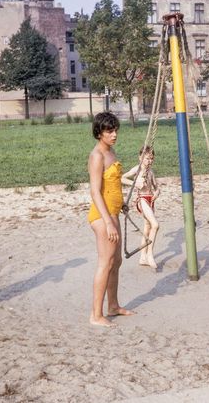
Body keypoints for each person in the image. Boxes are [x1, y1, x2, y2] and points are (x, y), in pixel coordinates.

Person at [87, 112, 134, 327]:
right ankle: (95, 315)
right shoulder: (97, 156)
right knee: (105, 263)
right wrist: (107, 221)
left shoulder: (111, 151)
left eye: (115, 130)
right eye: (109, 131)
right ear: (99, 132)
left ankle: (113, 306)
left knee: (117, 261)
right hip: (101, 216)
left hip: (113, 212)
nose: (114, 134)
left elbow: (112, 185)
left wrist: (121, 203)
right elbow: (95, 191)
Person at [121, 146, 161, 269]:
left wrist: (157, 192)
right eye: (147, 158)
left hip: (150, 200)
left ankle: (142, 257)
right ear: (141, 158)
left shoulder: (151, 172)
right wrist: (135, 183)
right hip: (142, 199)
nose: (150, 161)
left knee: (147, 229)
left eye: (152, 159)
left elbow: (157, 186)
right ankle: (150, 254)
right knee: (155, 225)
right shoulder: (137, 169)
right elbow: (121, 178)